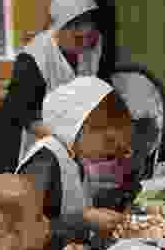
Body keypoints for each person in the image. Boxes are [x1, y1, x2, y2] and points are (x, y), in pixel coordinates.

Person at [0, 0, 111, 172]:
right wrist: (66, 142)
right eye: (76, 29)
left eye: (89, 25)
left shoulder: (94, 45)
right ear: (59, 28)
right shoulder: (34, 59)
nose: (85, 37)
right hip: (36, 145)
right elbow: (23, 113)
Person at [15, 76, 133, 239]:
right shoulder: (45, 160)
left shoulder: (73, 156)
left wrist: (95, 216)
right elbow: (24, 230)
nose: (110, 152)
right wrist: (84, 220)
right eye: (108, 141)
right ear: (76, 126)